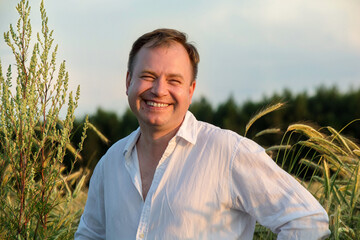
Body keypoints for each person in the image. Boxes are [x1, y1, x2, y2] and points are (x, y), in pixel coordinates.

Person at [75, 28, 330, 239]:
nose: (159, 90)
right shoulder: (110, 164)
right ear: (128, 81)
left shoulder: (228, 153)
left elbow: (307, 220)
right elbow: (90, 236)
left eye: (174, 80)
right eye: (148, 76)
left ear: (191, 90)